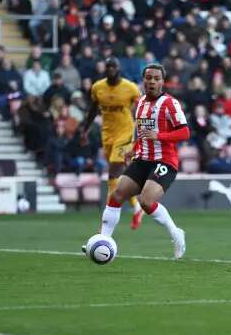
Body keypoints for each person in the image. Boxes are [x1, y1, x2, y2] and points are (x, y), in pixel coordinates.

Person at [83, 63, 189, 259]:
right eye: (148, 78)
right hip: (143, 158)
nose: (152, 82)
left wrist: (160, 136)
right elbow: (142, 133)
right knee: (117, 194)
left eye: (156, 78)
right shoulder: (140, 103)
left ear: (162, 82)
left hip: (164, 161)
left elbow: (185, 132)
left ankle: (176, 233)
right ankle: (103, 239)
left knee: (146, 201)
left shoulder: (169, 104)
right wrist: (133, 150)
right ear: (143, 80)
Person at [81, 58, 144, 230]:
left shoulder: (130, 88)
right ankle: (137, 207)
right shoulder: (97, 87)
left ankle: (108, 221)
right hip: (107, 134)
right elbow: (93, 109)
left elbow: (142, 107)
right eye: (107, 66)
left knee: (113, 174)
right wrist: (84, 130)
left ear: (119, 69)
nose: (110, 69)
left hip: (125, 133)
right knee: (118, 176)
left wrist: (142, 130)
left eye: (113, 66)